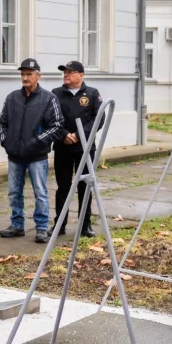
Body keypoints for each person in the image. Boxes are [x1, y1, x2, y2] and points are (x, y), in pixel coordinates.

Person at [0, 58, 64, 242]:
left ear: (38, 76)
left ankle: (41, 227)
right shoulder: (12, 98)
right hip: (14, 156)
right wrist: (5, 141)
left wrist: (36, 142)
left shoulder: (49, 99)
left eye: (29, 74)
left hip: (37, 156)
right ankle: (17, 225)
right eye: (23, 74)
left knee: (40, 193)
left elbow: (57, 126)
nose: (25, 78)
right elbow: (3, 122)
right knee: (14, 192)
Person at [47, 61, 102, 241]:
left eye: (70, 72)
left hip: (84, 148)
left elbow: (98, 118)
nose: (66, 75)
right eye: (65, 72)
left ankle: (85, 224)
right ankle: (60, 224)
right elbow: (51, 117)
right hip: (63, 146)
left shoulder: (92, 94)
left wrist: (79, 135)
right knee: (63, 187)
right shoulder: (56, 93)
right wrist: (63, 134)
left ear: (81, 75)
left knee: (84, 186)